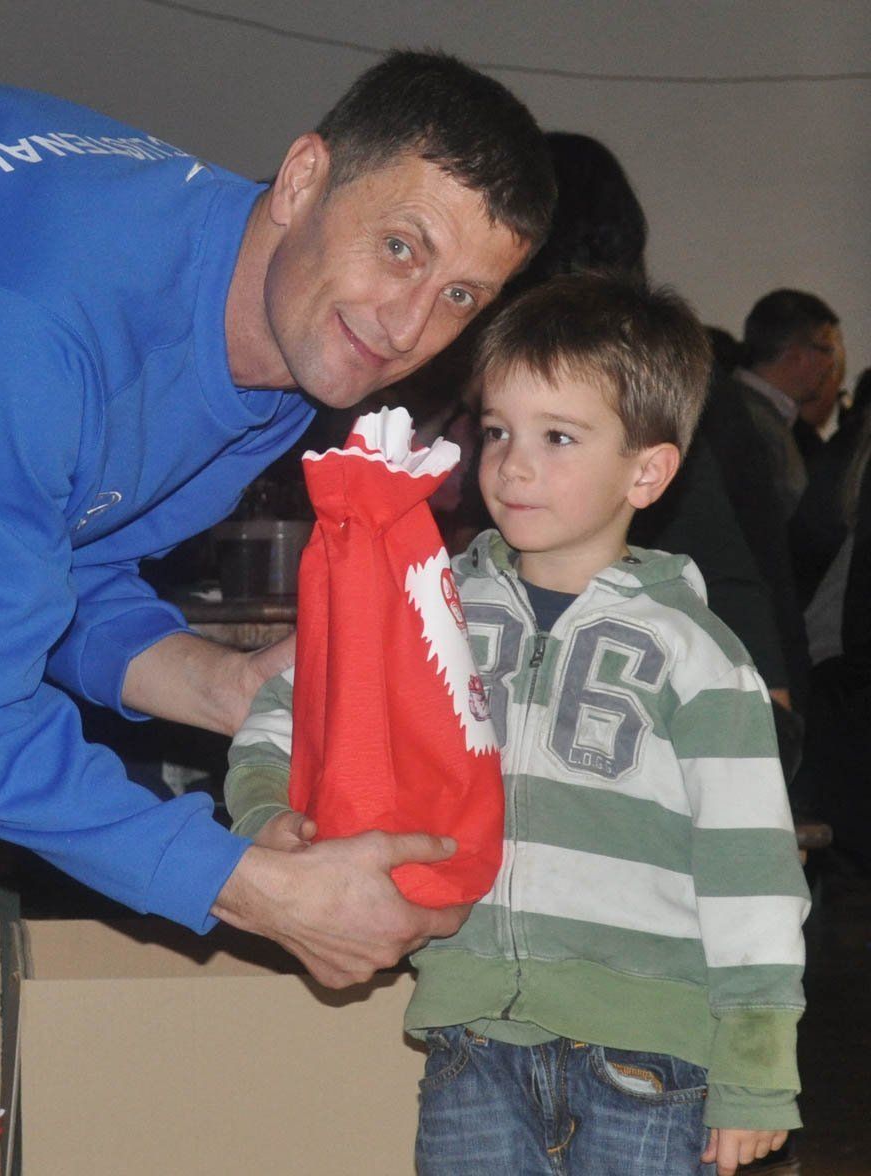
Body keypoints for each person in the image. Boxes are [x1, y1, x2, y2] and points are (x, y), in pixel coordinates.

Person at [0, 50, 555, 1162]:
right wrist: (258, 889)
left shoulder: (278, 348)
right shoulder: (37, 325)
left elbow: (59, 563)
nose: (405, 326)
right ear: (303, 179)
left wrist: (225, 687)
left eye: (460, 297)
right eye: (401, 247)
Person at [226, 274, 809, 1176]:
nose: (513, 465)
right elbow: (297, 706)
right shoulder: (429, 603)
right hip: (471, 1042)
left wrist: (756, 1070)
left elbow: (754, 875)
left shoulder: (699, 656)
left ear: (647, 471)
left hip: (649, 1059)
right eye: (497, 430)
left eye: (558, 437)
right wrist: (266, 809)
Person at [733, 289, 843, 520]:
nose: (831, 364)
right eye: (826, 349)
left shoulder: (746, 408)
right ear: (795, 354)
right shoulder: (752, 420)